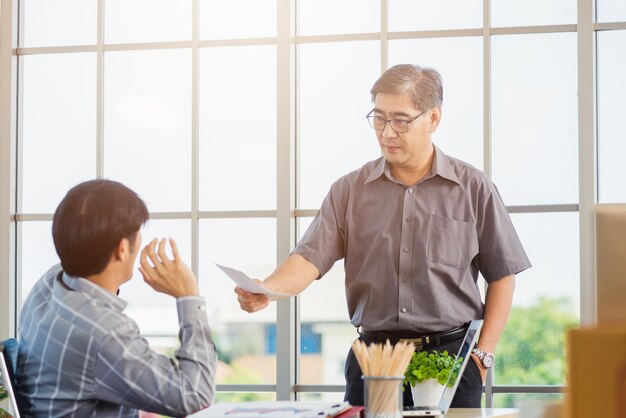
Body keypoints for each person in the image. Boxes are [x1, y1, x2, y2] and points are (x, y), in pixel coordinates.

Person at [235, 64, 531, 407]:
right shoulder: (349, 190)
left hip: (452, 361)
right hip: (373, 360)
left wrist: (482, 358)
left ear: (433, 118)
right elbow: (308, 259)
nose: (387, 133)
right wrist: (267, 290)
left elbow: (502, 276)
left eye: (401, 121)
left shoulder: (473, 188)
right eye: (379, 119)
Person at [17, 179, 216, 417]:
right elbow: (195, 396)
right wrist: (188, 296)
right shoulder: (104, 332)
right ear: (122, 248)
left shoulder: (48, 284)